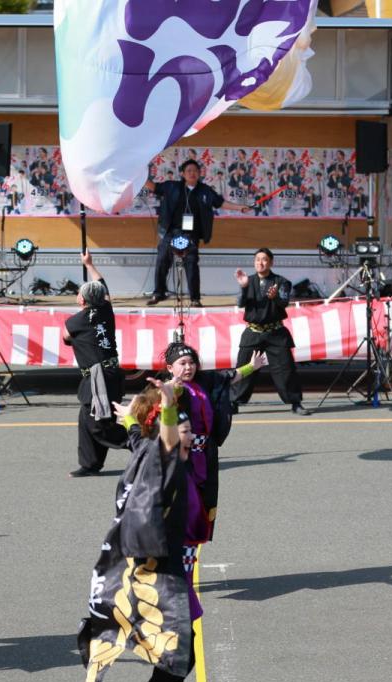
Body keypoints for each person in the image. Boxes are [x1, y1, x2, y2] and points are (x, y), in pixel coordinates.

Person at [79, 379, 202, 682]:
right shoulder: (164, 456)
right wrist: (167, 403)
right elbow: (164, 437)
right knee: (176, 662)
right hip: (155, 575)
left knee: (178, 661)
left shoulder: (145, 449)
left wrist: (131, 417)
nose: (189, 434)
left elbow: (137, 435)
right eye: (184, 429)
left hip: (157, 571)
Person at [162, 340, 263, 538]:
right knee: (182, 504)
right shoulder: (168, 390)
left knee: (204, 501)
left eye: (191, 362)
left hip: (207, 453)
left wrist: (253, 366)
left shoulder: (206, 380)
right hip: (182, 456)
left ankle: (194, 541)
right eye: (182, 363)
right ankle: (176, 546)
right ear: (170, 368)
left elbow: (231, 377)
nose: (188, 367)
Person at [144, 159, 252, 307]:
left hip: (190, 234)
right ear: (182, 173)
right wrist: (139, 176)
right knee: (162, 259)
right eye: (188, 171)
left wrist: (240, 208)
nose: (192, 173)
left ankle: (195, 298)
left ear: (199, 173)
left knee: (191, 263)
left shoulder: (205, 190)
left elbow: (220, 202)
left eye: (195, 170)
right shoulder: (172, 187)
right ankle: (158, 294)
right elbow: (153, 186)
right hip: (171, 232)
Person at [63, 251, 127, 477]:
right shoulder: (106, 310)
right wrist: (90, 265)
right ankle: (90, 464)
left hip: (100, 376)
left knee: (97, 423)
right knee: (86, 419)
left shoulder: (74, 321)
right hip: (108, 373)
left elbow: (66, 337)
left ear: (81, 300)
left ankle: (143, 442)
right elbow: (103, 286)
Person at [230, 248, 310, 415]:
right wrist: (244, 287)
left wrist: (275, 298)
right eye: (257, 259)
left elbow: (284, 302)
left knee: (285, 368)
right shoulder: (248, 281)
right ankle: (234, 402)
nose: (260, 262)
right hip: (253, 331)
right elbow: (240, 304)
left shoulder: (282, 282)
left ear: (271, 262)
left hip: (275, 331)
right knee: (244, 366)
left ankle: (295, 402)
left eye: (264, 259)